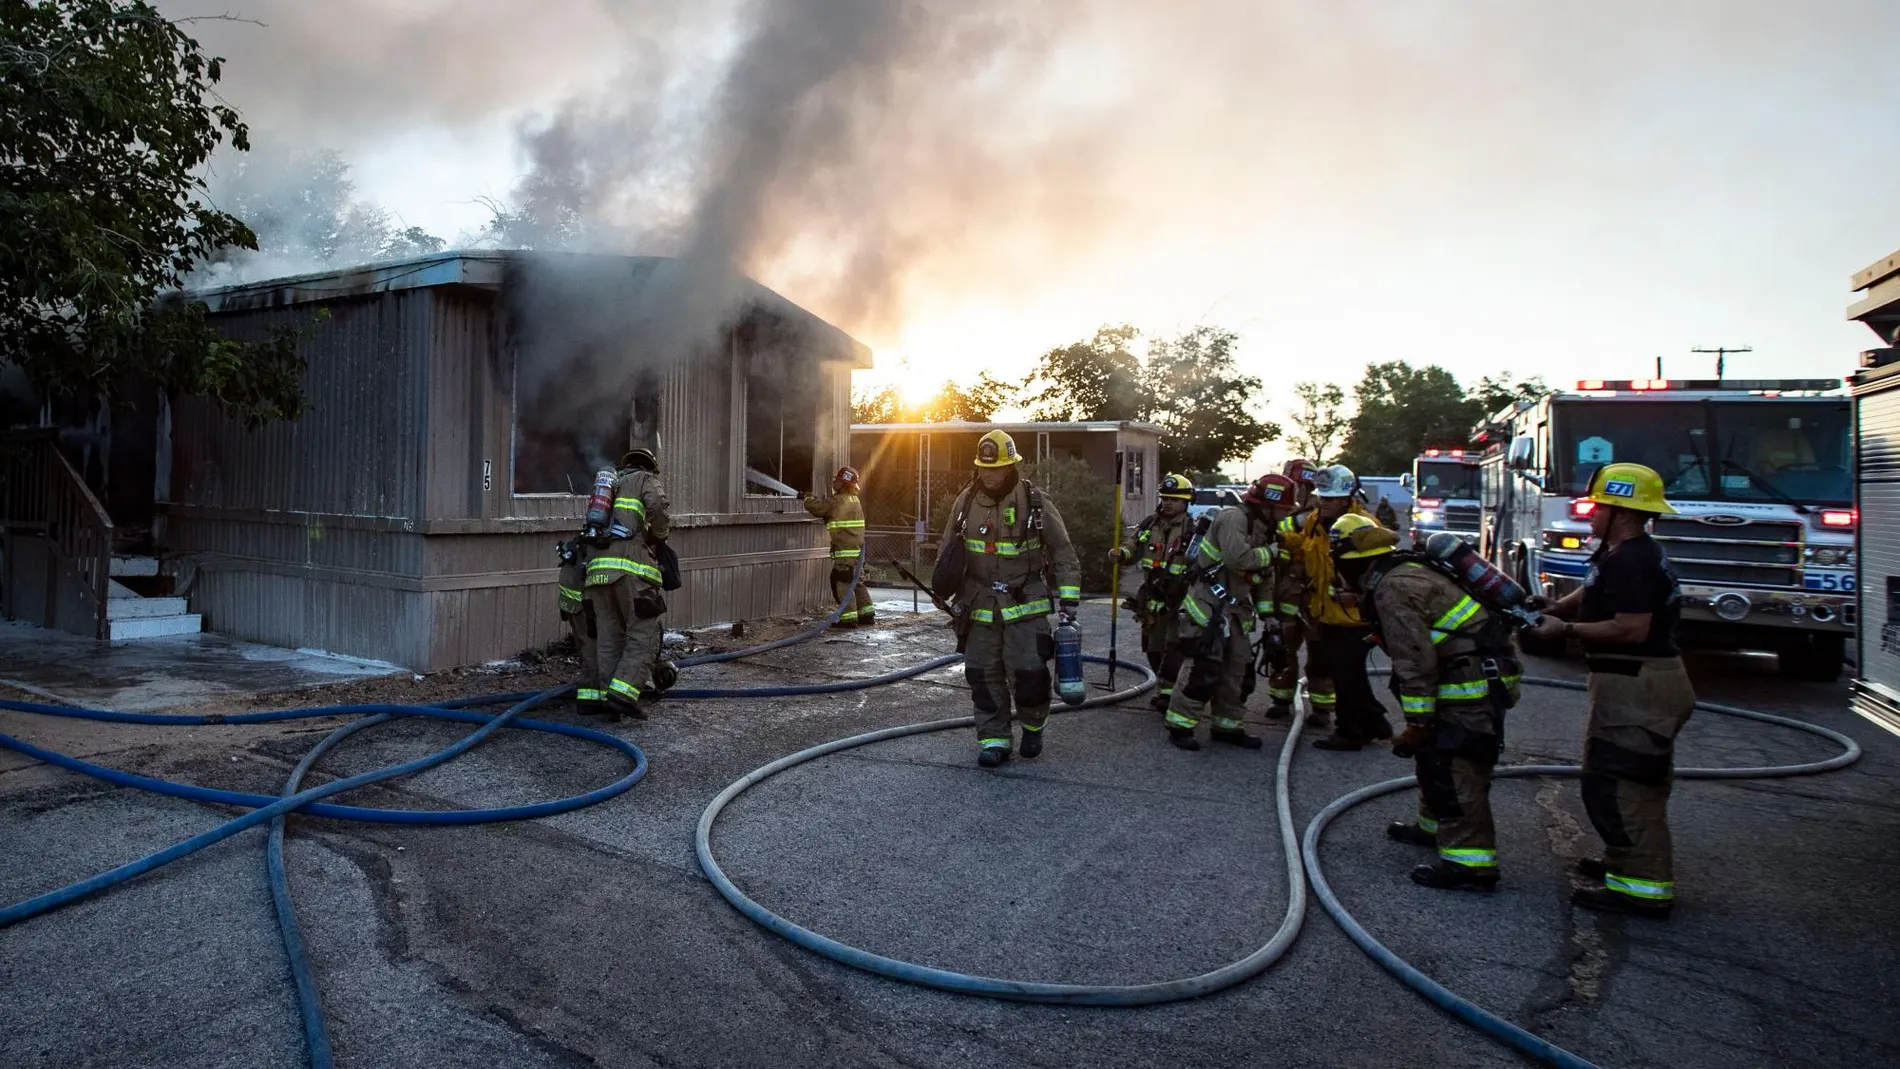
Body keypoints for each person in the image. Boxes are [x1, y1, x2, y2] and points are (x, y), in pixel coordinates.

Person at [1527, 462, 1693, 918]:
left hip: (1640, 681)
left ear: (1620, 510)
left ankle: (1644, 889)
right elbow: (1594, 588)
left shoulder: (1634, 562)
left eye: (1598, 505)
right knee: (1610, 776)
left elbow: (1630, 627)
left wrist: (1566, 629)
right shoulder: (1619, 552)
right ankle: (1625, 863)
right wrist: (1556, 605)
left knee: (1628, 783)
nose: (1591, 512)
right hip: (1630, 683)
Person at [1332, 514, 1523, 892]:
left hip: (1469, 684)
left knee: (1457, 764)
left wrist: (1416, 726)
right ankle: (1433, 825)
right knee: (1437, 757)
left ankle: (1471, 865)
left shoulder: (1393, 588)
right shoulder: (1402, 570)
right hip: (1468, 673)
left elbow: (1415, 662)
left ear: (1351, 562)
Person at [940, 430, 1082, 767]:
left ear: (1011, 466)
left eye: (997, 468)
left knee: (1030, 674)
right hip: (979, 605)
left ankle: (1033, 727)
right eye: (984, 469)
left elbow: (1063, 551)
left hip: (1025, 604)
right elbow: (949, 548)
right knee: (981, 674)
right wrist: (942, 587)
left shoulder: (1035, 501)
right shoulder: (965, 502)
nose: (990, 475)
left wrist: (1069, 601)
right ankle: (995, 740)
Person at [1163, 473, 1298, 751]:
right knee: (1203, 667)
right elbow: (1239, 559)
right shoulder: (1234, 519)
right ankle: (1180, 725)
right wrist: (1272, 552)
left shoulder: (1265, 528)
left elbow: (1262, 577)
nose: (1286, 515)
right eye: (1283, 509)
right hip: (1208, 604)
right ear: (1267, 504)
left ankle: (1227, 726)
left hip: (1237, 608)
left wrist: (1269, 616)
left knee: (1238, 670)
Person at [1280, 463, 1395, 749]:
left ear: (1347, 498)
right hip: (1324, 612)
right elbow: (1303, 546)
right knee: (1345, 672)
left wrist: (1359, 597)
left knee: (1345, 674)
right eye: (1322, 496)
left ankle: (1349, 732)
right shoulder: (1316, 521)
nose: (1323, 502)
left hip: (1355, 617)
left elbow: (1380, 570)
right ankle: (1374, 723)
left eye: (1330, 498)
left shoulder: (1364, 526)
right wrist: (1276, 539)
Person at [584, 447, 672, 721]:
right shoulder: (645, 479)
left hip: (596, 571)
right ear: (649, 466)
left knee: (609, 636)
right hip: (630, 568)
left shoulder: (609, 485)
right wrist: (660, 534)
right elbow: (657, 507)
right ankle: (624, 695)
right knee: (643, 633)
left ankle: (608, 696)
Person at [1113, 472, 1197, 712]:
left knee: (1174, 646)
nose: (1168, 503)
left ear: (1186, 502)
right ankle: (1166, 687)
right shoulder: (1150, 524)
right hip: (1152, 596)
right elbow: (1133, 546)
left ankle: (1168, 692)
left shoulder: (1192, 531)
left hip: (1179, 599)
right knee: (1152, 646)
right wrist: (1121, 553)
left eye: (1174, 499)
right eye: (1165, 498)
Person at [1263, 458, 1321, 716]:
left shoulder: (1323, 509)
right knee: (1283, 645)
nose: (1297, 489)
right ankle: (1281, 699)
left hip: (1316, 590)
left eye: (1300, 485)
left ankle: (1322, 707)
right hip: (1285, 587)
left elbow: (1298, 541)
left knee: (1321, 651)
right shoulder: (1280, 508)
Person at [803, 466, 873, 628]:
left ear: (844, 484)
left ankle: (848, 619)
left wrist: (807, 498)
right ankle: (867, 614)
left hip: (844, 552)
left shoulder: (837, 501)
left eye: (838, 480)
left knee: (841, 582)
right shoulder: (855, 500)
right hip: (857, 551)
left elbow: (818, 508)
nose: (835, 482)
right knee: (857, 582)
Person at [557, 537, 604, 716]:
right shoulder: (612, 541)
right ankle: (591, 699)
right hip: (582, 596)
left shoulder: (591, 537)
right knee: (592, 644)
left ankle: (591, 694)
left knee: (587, 644)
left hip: (573, 592)